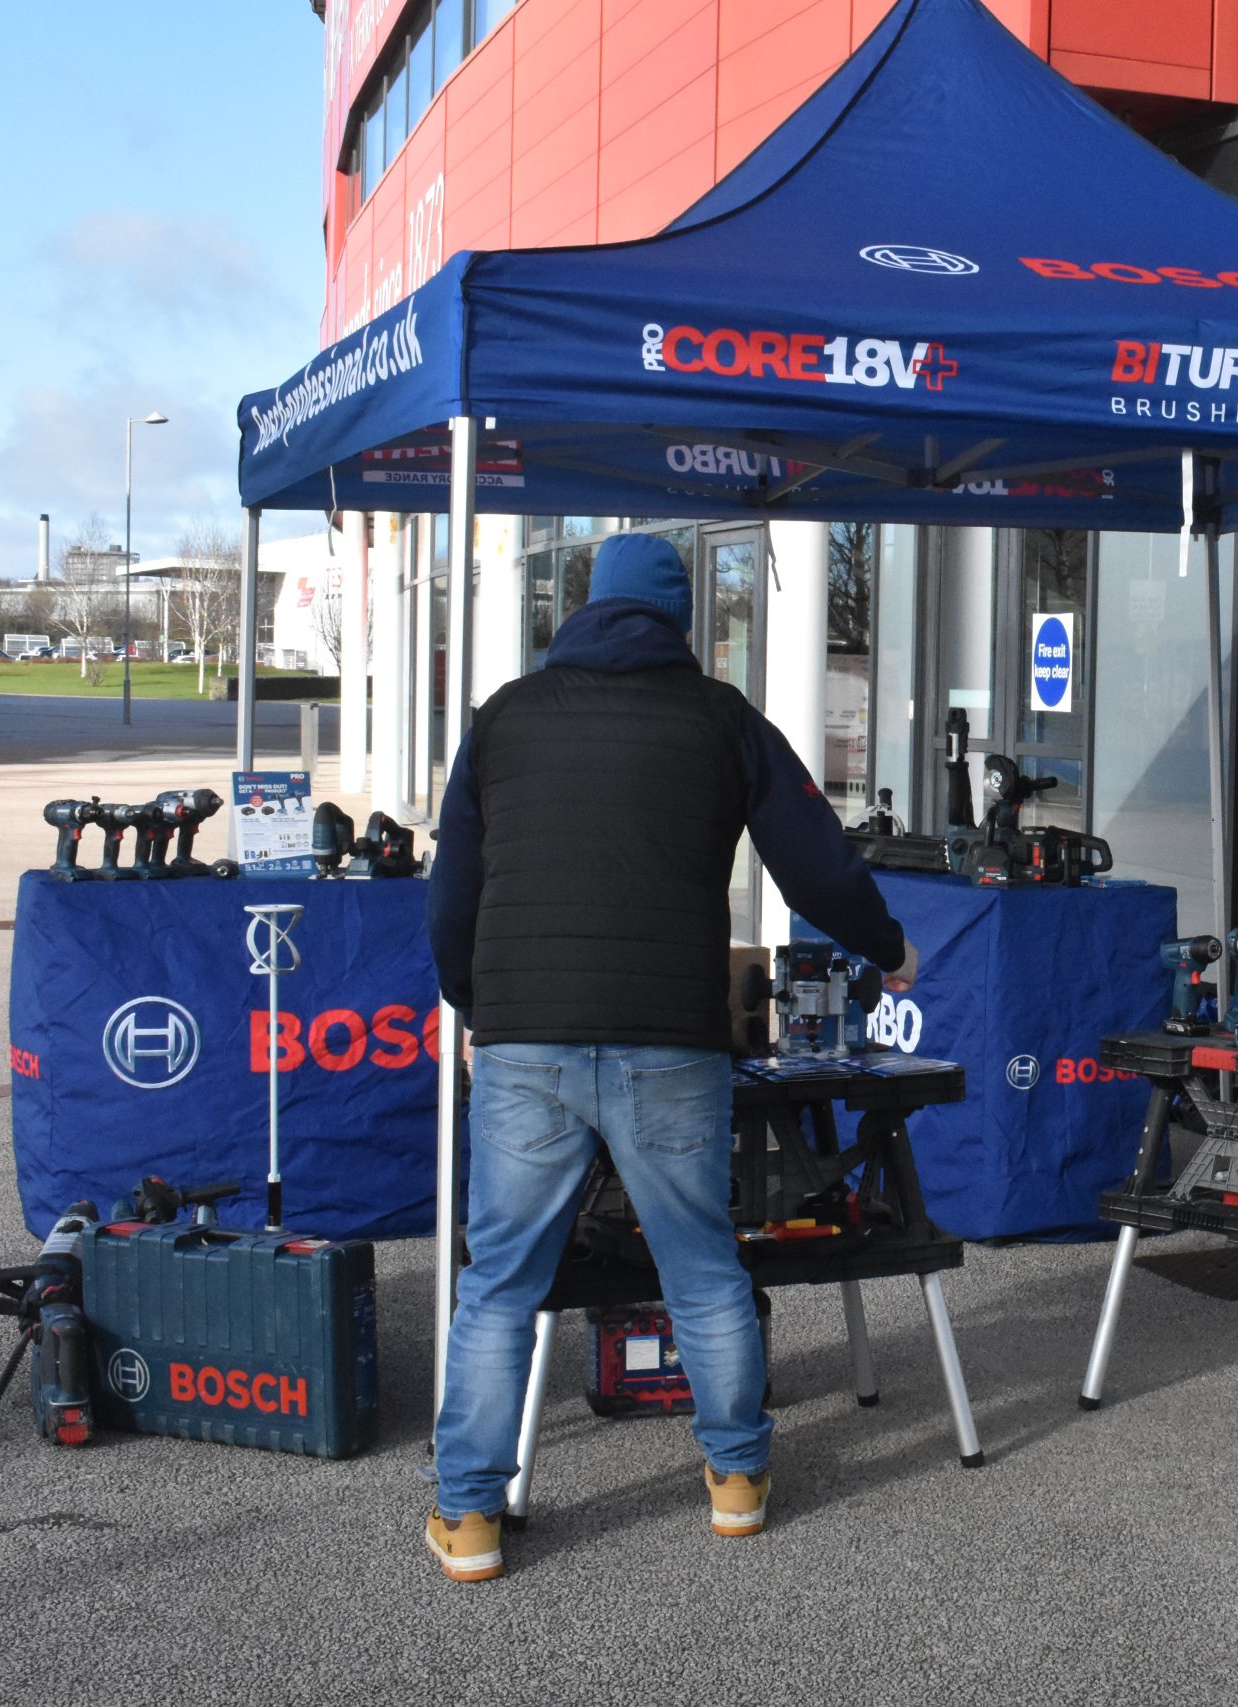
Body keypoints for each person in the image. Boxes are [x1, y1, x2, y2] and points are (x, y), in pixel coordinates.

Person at [421, 532, 915, 1583]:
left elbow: (452, 887)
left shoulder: (505, 717)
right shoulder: (721, 718)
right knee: (701, 1268)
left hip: (526, 1037)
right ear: (677, 618)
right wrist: (887, 947)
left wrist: (472, 1001)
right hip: (669, 1041)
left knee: (499, 1284)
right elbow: (813, 859)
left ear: (584, 607)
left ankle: (469, 1518)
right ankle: (735, 1481)